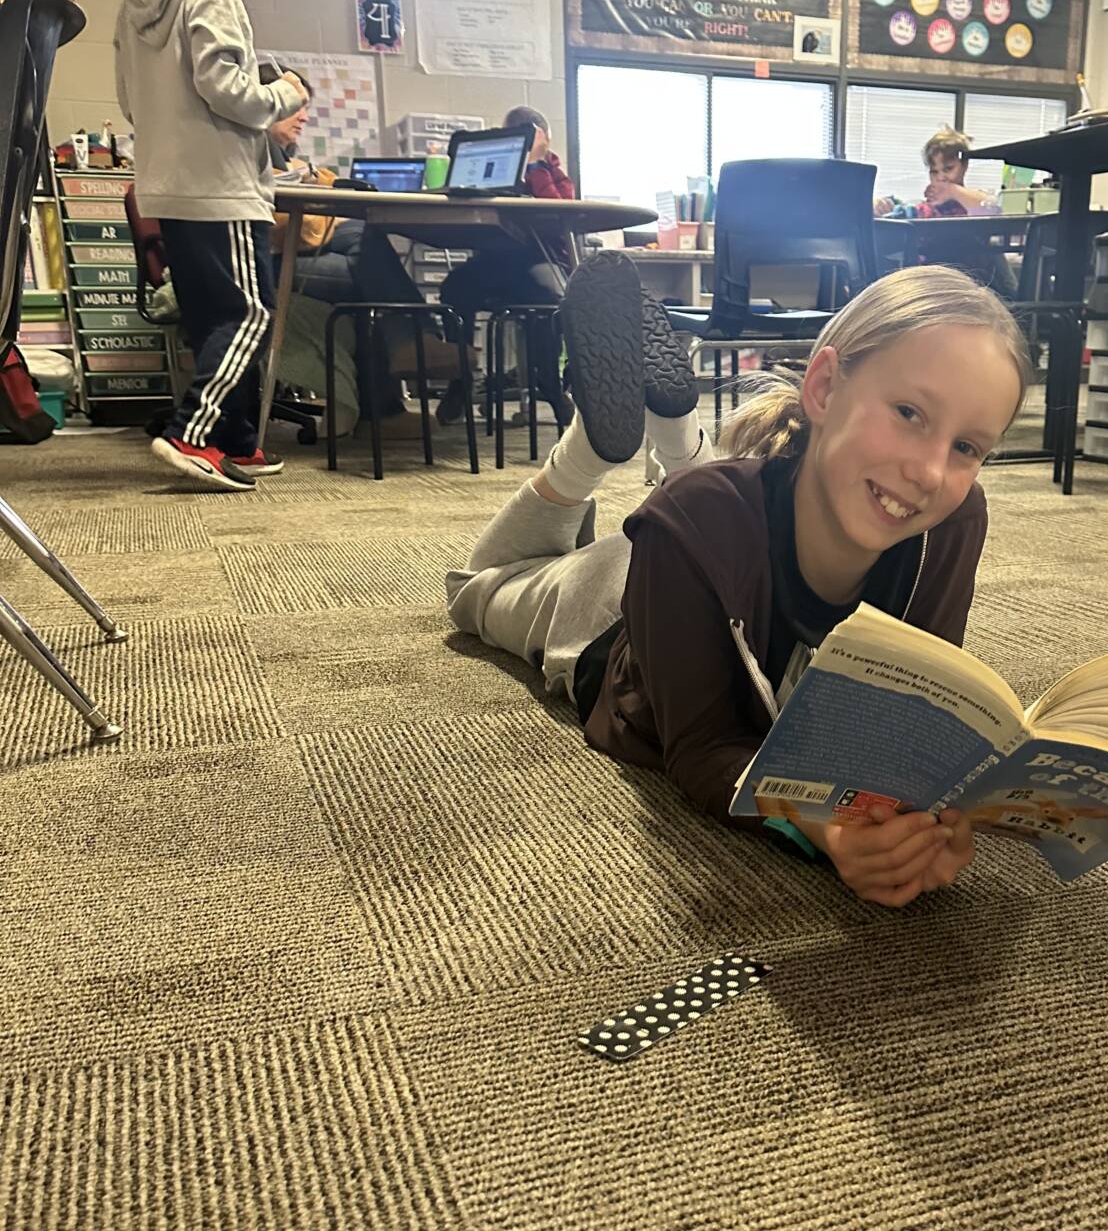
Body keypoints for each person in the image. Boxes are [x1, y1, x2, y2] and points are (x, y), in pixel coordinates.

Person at [447, 257, 1029, 909]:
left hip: (707, 549)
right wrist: (820, 824)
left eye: (968, 448)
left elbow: (919, 706)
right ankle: (590, 450)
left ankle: (674, 431)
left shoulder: (950, 523)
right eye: (909, 412)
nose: (929, 470)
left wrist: (931, 816)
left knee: (708, 509)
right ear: (826, 387)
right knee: (479, 587)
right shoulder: (688, 524)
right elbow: (702, 749)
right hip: (608, 615)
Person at [114, 0, 306, 491]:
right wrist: (285, 96)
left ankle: (237, 442)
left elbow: (128, 97)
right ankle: (190, 434)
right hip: (221, 185)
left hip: (167, 182)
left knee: (213, 316)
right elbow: (226, 86)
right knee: (249, 314)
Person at [259, 63, 442, 420]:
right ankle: (401, 375)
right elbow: (300, 228)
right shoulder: (253, 153)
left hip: (292, 258)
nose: (304, 117)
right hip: (266, 265)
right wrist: (325, 209)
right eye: (296, 106)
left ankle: (388, 398)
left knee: (364, 249)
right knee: (365, 262)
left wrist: (316, 190)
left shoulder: (288, 160)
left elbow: (328, 192)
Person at [438, 104, 575, 429]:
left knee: (542, 304)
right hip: (495, 261)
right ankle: (461, 377)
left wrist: (537, 164)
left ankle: (551, 387)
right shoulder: (498, 166)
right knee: (455, 287)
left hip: (538, 262)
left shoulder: (550, 169)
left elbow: (562, 212)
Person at [875, 128, 998, 220]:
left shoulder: (975, 199)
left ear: (964, 165)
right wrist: (878, 205)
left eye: (948, 169)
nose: (940, 178)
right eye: (934, 172)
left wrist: (952, 190)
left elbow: (994, 212)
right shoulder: (926, 208)